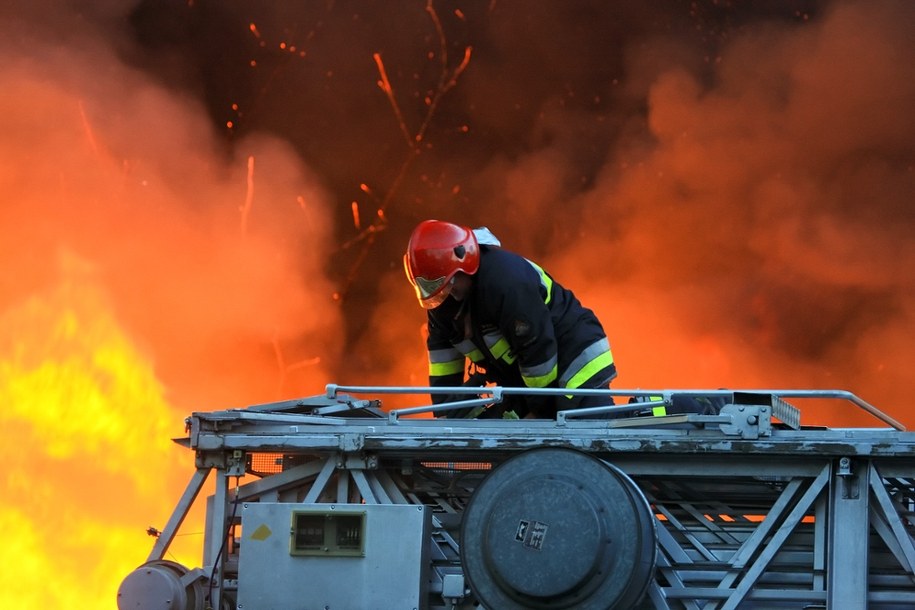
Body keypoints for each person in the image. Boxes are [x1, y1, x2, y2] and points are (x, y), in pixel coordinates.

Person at [403, 219, 617, 419]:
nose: (448, 293)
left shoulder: (506, 282)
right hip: (527, 376)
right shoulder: (442, 305)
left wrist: (539, 415)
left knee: (587, 431)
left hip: (575, 359)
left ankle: (638, 417)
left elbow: (538, 353)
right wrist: (447, 417)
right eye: (438, 289)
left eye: (450, 283)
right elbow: (443, 372)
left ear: (465, 262)